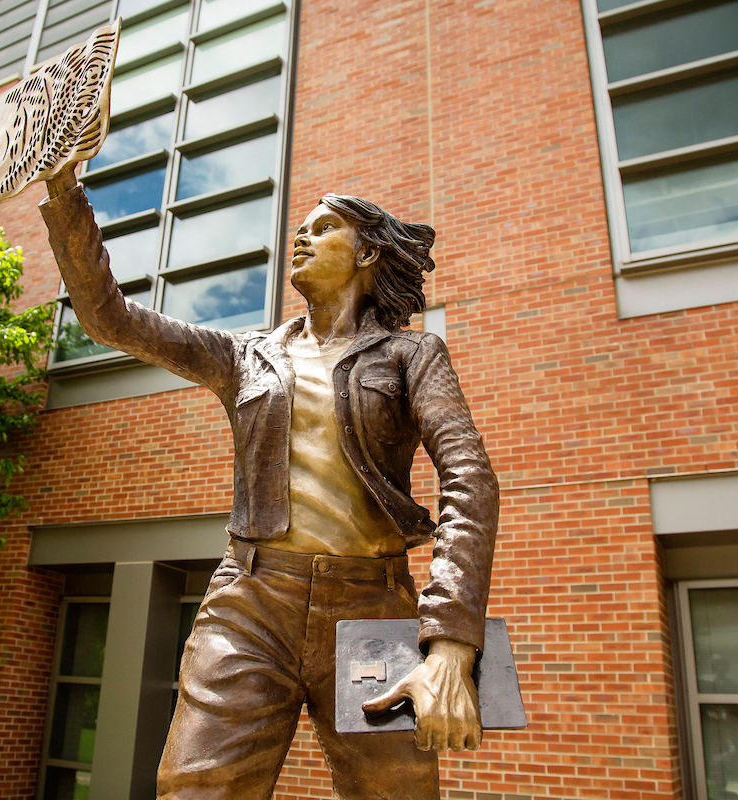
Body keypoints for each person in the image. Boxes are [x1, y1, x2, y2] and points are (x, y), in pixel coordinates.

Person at [39, 166, 499, 800]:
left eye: (324, 228)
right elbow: (110, 319)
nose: (302, 239)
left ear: (367, 251)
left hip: (373, 606)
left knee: (395, 794)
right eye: (300, 230)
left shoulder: (412, 356)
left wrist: (450, 645)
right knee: (199, 788)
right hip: (252, 603)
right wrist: (64, 194)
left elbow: (468, 476)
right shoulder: (246, 355)